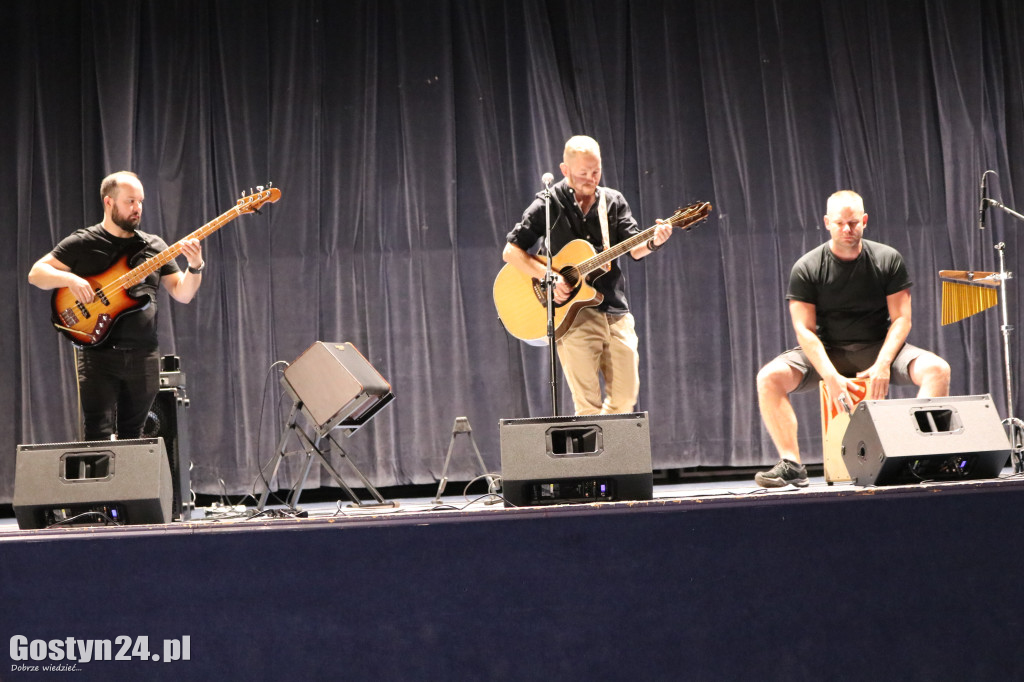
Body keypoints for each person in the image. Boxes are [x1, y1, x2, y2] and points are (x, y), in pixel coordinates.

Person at [754, 189, 951, 487]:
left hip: (879, 347)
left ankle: (917, 456)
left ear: (865, 220)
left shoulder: (887, 259)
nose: (848, 229)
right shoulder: (807, 267)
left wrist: (884, 363)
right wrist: (829, 375)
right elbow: (804, 330)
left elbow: (901, 319)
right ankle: (792, 464)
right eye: (840, 223)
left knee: (938, 370)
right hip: (828, 350)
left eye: (854, 223)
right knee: (769, 378)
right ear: (826, 223)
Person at [502, 135, 674, 415]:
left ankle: (609, 453)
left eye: (596, 171)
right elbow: (511, 251)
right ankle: (598, 457)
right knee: (587, 406)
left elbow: (635, 248)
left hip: (614, 309)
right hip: (573, 315)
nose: (591, 179)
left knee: (624, 399)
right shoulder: (549, 203)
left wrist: (656, 240)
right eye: (583, 173)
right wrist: (549, 276)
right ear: (565, 170)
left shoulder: (613, 201)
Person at [28, 171, 205, 441]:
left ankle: (132, 485)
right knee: (97, 433)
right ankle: (99, 484)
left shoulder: (154, 246)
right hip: (98, 354)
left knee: (135, 434)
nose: (138, 208)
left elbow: (182, 293)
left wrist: (195, 266)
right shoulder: (84, 241)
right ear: (109, 202)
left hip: (144, 354)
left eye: (141, 201)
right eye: (130, 201)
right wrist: (70, 279)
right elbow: (36, 274)